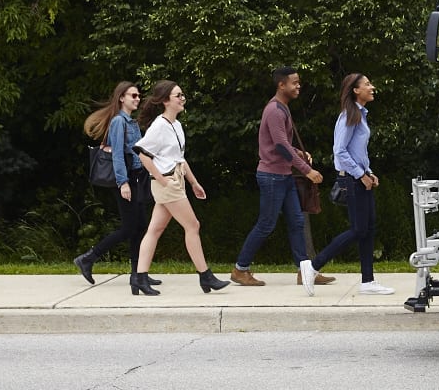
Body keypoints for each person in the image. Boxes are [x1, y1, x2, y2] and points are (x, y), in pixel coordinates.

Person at [232, 66, 334, 295]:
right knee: (266, 224)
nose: (298, 86)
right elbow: (279, 145)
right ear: (281, 85)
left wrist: (297, 152)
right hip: (271, 177)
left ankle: (304, 270)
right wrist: (307, 170)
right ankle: (240, 269)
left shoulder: (282, 108)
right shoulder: (275, 110)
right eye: (294, 83)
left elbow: (282, 144)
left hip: (284, 176)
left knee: (297, 222)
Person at [128, 80, 230, 295]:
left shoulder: (176, 125)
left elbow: (180, 159)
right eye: (178, 95)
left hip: (176, 180)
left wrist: (194, 183)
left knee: (155, 230)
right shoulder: (159, 125)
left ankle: (139, 278)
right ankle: (205, 276)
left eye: (182, 94)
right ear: (165, 101)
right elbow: (143, 154)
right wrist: (163, 180)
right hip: (167, 183)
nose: (182, 98)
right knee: (193, 225)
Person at [304, 73, 393, 295]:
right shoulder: (348, 117)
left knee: (368, 229)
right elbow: (339, 151)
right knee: (358, 229)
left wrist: (369, 172)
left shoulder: (360, 115)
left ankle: (368, 281)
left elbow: (358, 151)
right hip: (352, 180)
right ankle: (313, 265)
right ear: (355, 90)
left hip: (361, 178)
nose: (372, 87)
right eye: (367, 84)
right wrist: (360, 175)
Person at [72, 82, 161, 287]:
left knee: (140, 228)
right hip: (126, 179)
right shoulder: (118, 123)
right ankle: (88, 258)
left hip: (137, 177)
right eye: (133, 95)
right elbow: (118, 156)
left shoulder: (131, 122)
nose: (137, 99)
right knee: (129, 228)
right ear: (121, 98)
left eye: (138, 96)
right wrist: (123, 183)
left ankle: (138, 274)